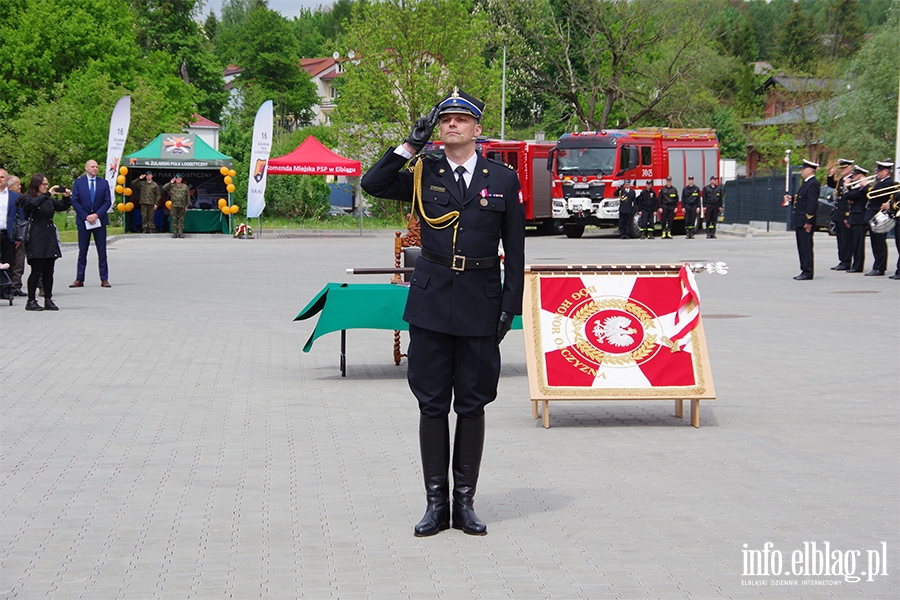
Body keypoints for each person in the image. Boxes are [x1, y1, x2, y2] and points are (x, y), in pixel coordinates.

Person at [361, 88, 525, 538]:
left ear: (476, 128)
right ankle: (436, 505)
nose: (451, 124)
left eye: (460, 119)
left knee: (472, 405)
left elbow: (516, 247)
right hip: (432, 302)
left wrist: (510, 306)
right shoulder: (423, 171)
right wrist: (409, 147)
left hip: (480, 301)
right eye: (445, 119)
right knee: (432, 404)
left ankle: (465, 505)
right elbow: (372, 184)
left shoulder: (503, 179)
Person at [16, 174, 71, 310]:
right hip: (36, 236)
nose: (46, 187)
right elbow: (32, 206)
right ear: (36, 184)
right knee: (36, 270)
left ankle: (48, 298)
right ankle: (31, 300)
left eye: (47, 184)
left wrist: (66, 196)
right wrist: (47, 194)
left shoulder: (47, 200)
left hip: (48, 237)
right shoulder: (26, 198)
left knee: (48, 270)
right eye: (44, 184)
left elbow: (61, 206)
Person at [70, 159, 111, 288]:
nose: (95, 169)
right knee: (83, 251)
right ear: (86, 168)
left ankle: (104, 278)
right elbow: (75, 201)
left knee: (102, 251)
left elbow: (107, 201)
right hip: (84, 222)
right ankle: (79, 279)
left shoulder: (103, 183)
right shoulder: (78, 183)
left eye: (97, 167)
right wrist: (86, 216)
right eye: (93, 167)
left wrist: (96, 215)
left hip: (99, 221)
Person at [784, 159, 820, 280]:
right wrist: (791, 199)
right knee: (802, 246)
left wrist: (809, 221)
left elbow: (812, 203)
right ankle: (804, 269)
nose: (801, 171)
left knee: (806, 247)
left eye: (803, 169)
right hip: (800, 219)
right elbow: (802, 200)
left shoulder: (813, 183)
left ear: (810, 171)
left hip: (805, 221)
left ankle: (807, 271)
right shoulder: (806, 183)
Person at [865, 160, 894, 276]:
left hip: (880, 215)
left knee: (879, 242)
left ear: (886, 171)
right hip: (874, 215)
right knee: (875, 242)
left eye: (880, 171)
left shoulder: (888, 183)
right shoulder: (880, 182)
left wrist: (866, 186)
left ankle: (880, 267)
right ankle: (877, 265)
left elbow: (875, 194)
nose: (878, 173)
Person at [826, 158, 854, 270]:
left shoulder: (852, 180)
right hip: (838, 214)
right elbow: (831, 184)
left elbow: (851, 200)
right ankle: (842, 260)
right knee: (840, 240)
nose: (842, 170)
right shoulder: (841, 180)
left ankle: (846, 261)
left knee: (846, 240)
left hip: (845, 214)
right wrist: (831, 175)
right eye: (841, 168)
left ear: (850, 168)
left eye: (844, 168)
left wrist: (847, 216)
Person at [844, 166, 870, 273]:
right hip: (854, 217)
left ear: (861, 175)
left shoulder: (862, 188)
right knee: (854, 243)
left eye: (855, 175)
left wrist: (846, 185)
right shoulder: (857, 187)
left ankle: (858, 266)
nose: (853, 176)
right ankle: (855, 264)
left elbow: (848, 196)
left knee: (858, 244)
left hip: (860, 218)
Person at [6, 176, 28, 297]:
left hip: (18, 234)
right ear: (9, 187)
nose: (20, 187)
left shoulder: (20, 199)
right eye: (17, 185)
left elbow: (22, 218)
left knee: (19, 262)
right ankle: (6, 286)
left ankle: (16, 286)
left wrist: (20, 236)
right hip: (6, 235)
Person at [0, 168, 19, 300]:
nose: (0, 180)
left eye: (2, 177)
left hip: (8, 233)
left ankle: (7, 290)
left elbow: (20, 217)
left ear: (7, 180)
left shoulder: (14, 197)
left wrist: (19, 235)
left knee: (9, 261)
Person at [163, 174, 190, 238]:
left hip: (182, 205)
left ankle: (180, 233)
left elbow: (188, 196)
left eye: (179, 178)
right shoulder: (172, 186)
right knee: (174, 219)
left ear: (181, 179)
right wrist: (170, 182)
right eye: (177, 178)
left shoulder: (185, 186)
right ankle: (175, 233)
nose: (178, 179)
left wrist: (186, 205)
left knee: (181, 219)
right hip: (174, 205)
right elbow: (164, 188)